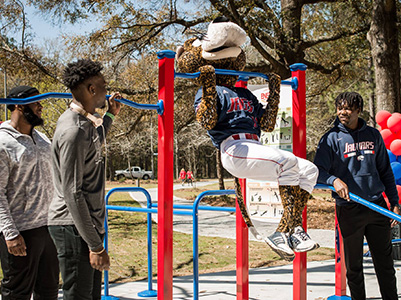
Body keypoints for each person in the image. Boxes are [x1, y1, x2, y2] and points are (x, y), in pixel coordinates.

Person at [176, 17, 319, 261]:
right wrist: (209, 85)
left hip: (253, 146)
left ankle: (288, 229)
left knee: (309, 169)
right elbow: (207, 121)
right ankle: (290, 230)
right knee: (287, 162)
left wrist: (274, 94)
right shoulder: (206, 91)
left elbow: (266, 124)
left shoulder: (243, 93)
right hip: (233, 148)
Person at [314, 91, 399, 300]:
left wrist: (394, 203)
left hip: (376, 206)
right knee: (354, 267)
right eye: (340, 108)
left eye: (348, 108)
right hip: (349, 208)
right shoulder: (330, 139)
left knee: (385, 265)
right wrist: (333, 180)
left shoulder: (373, 135)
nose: (343, 112)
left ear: (358, 110)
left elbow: (386, 171)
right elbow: (318, 171)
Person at [48, 59, 121, 300]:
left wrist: (110, 114)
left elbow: (94, 142)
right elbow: (72, 193)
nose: (106, 91)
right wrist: (95, 246)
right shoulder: (73, 130)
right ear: (91, 89)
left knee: (90, 295)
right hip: (72, 226)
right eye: (103, 86)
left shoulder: (84, 123)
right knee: (79, 295)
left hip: (85, 225)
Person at [0, 86, 59, 299]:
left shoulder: (42, 138)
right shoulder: (3, 142)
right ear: (18, 105)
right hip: (21, 231)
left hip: (49, 227)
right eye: (36, 103)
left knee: (49, 291)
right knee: (17, 293)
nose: (41, 107)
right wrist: (10, 233)